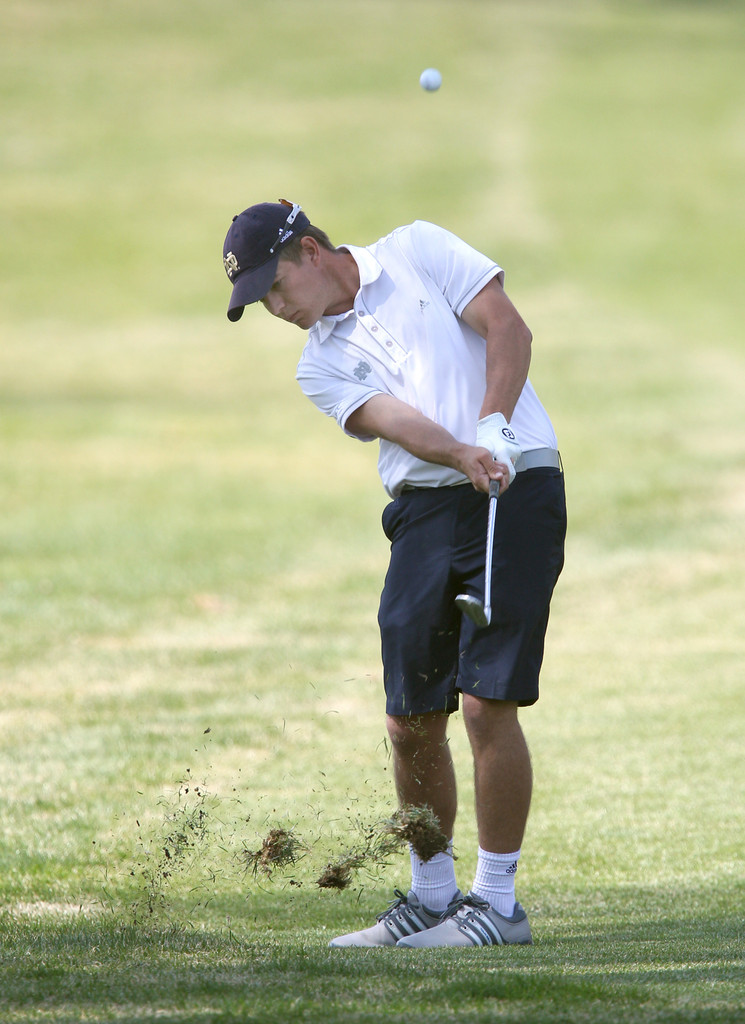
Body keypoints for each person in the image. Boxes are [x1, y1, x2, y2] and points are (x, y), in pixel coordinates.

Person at [222, 200, 566, 948]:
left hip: (517, 487)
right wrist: (459, 452)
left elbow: (507, 327)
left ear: (310, 250)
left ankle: (497, 905)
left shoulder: (417, 248)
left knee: (484, 704)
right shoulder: (318, 361)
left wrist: (492, 429)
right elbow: (392, 421)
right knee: (408, 716)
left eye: (274, 288)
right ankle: (431, 896)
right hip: (423, 508)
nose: (276, 309)